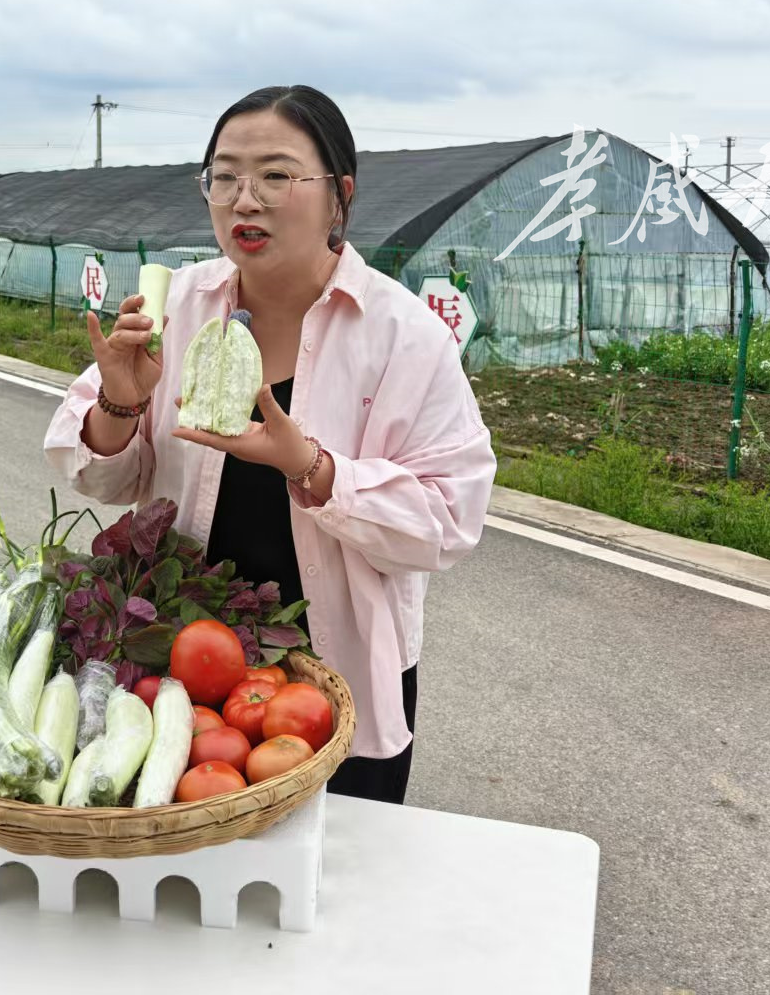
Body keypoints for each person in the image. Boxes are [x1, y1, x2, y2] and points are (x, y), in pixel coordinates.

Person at [45, 85, 495, 803]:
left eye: (276, 175)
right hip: (187, 665)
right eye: (224, 177)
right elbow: (97, 475)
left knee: (337, 863)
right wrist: (121, 400)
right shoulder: (177, 305)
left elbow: (447, 522)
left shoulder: (404, 336)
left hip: (334, 680)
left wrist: (311, 467)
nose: (244, 200)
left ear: (340, 195)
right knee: (180, 856)